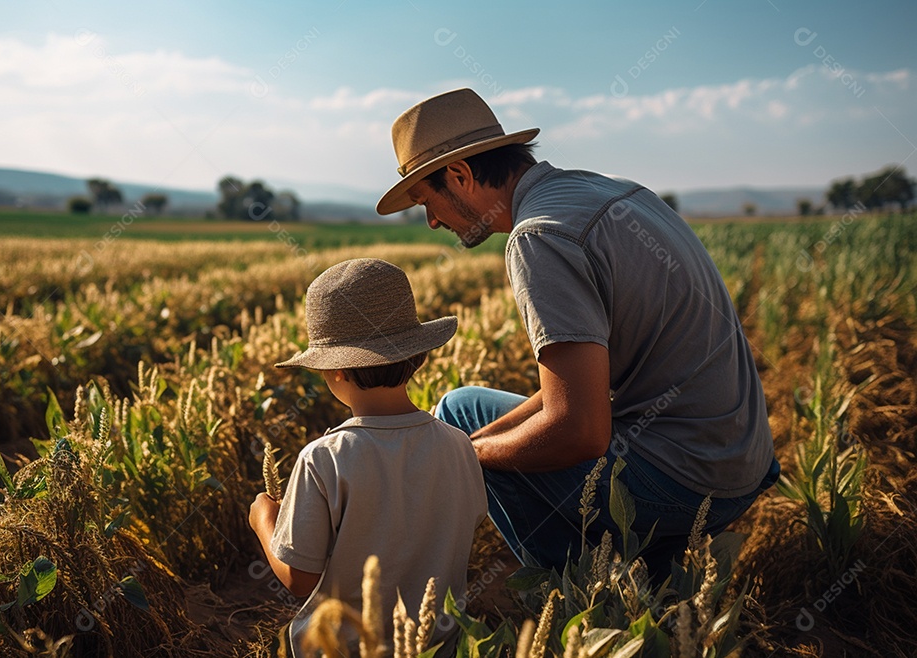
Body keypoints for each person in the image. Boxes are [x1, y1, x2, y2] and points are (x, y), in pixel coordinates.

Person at [375, 88, 779, 575]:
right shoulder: (617, 192)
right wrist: (471, 444)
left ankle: (583, 592)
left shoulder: (539, 236)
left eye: (427, 200)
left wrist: (468, 459)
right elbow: (575, 395)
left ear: (460, 175)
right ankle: (652, 564)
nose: (433, 220)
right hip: (742, 459)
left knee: (469, 448)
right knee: (462, 416)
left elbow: (580, 432)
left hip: (689, 483)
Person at [249, 258, 487, 657]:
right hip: (439, 647)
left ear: (335, 370)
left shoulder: (323, 459)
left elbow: (298, 578)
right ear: (420, 357)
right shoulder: (459, 444)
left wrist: (263, 519)